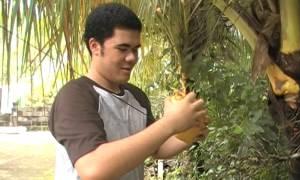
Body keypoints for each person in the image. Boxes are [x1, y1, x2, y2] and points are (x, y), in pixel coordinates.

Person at [48, 2, 208, 180]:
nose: (132, 58)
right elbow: (93, 168)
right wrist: (170, 123)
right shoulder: (74, 96)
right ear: (94, 46)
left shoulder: (137, 96)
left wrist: (189, 132)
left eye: (135, 49)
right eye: (122, 49)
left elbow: (157, 148)